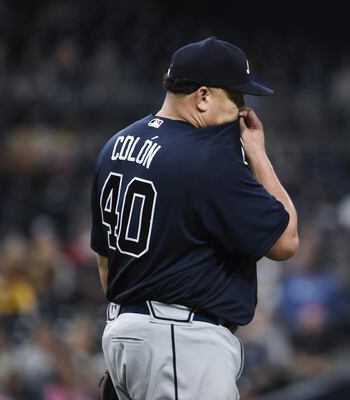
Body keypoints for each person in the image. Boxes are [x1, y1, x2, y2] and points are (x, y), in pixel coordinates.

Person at [90, 36, 299, 400]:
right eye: (236, 98)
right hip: (180, 345)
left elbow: (106, 263)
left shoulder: (116, 146)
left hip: (127, 335)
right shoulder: (208, 159)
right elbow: (286, 242)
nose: (241, 110)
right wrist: (259, 155)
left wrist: (137, 335)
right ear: (202, 96)